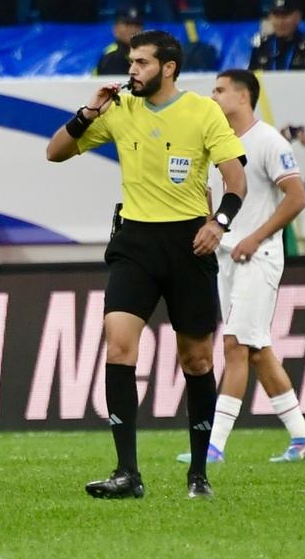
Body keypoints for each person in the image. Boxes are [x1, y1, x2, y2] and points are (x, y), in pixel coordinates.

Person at [46, 29, 247, 500]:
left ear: (168, 68)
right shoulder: (119, 109)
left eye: (141, 63)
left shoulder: (202, 111)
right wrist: (88, 112)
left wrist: (219, 223)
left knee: (196, 359)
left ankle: (198, 474)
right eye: (130, 62)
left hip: (189, 243)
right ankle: (127, 473)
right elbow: (55, 152)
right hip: (135, 242)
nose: (131, 70)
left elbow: (235, 181)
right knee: (118, 346)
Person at [175, 69, 305, 465]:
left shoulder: (268, 141)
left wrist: (256, 237)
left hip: (259, 256)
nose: (213, 96)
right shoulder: (217, 142)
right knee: (257, 350)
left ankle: (213, 446)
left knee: (235, 345)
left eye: (220, 90)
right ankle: (303, 438)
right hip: (226, 257)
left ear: (243, 96)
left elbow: (296, 196)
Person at [248, 0, 305, 71]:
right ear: (270, 17)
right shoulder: (261, 45)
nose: (280, 22)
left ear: (297, 17)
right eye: (276, 16)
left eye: (285, 16)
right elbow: (251, 76)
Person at [95, 8, 144, 75]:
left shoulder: (146, 53)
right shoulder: (112, 57)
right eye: (127, 24)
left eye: (137, 25)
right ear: (115, 29)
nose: (133, 29)